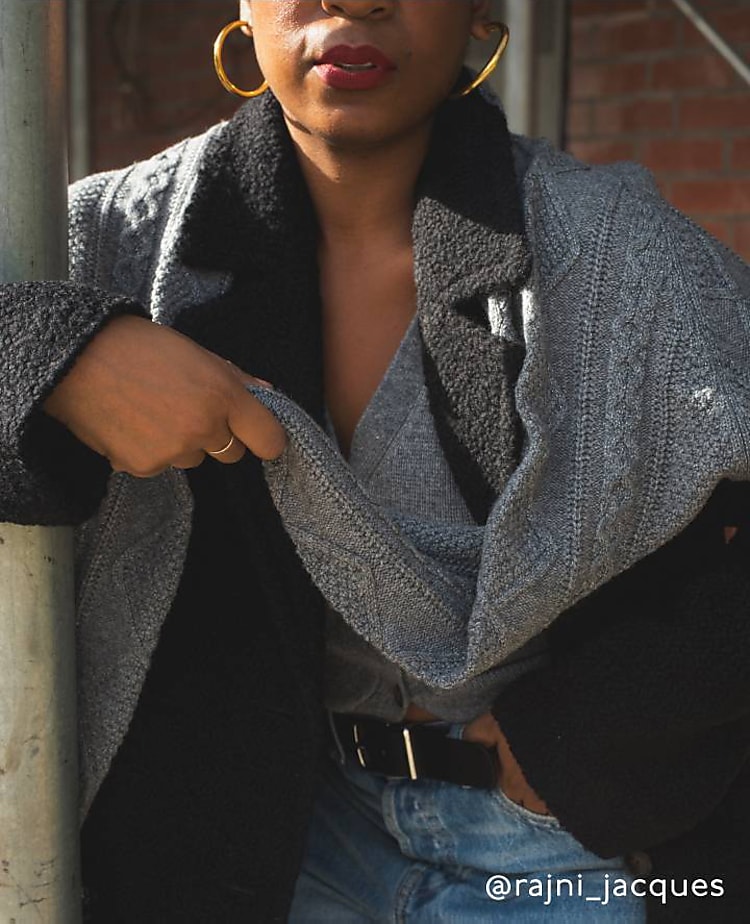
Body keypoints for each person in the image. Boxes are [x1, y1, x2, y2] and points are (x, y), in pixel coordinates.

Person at [1, 1, 748, 921]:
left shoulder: (620, 254)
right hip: (275, 847)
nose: (356, 0)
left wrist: (583, 738)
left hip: (560, 850)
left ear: (479, 11)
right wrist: (56, 356)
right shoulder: (115, 241)